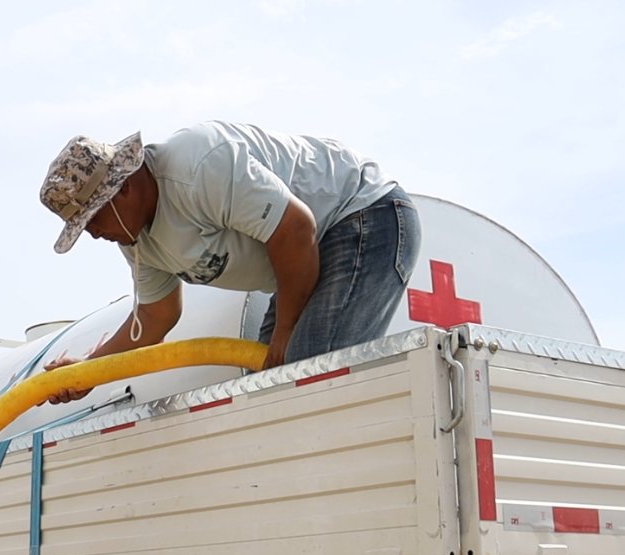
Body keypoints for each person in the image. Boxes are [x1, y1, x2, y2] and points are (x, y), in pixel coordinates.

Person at [37, 122, 421, 403]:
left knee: (306, 377)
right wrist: (87, 371)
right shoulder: (135, 238)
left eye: (92, 219)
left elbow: (295, 228)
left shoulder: (198, 165)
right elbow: (155, 317)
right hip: (306, 253)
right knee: (269, 389)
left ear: (122, 188)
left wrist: (285, 329)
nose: (93, 234)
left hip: (360, 215)